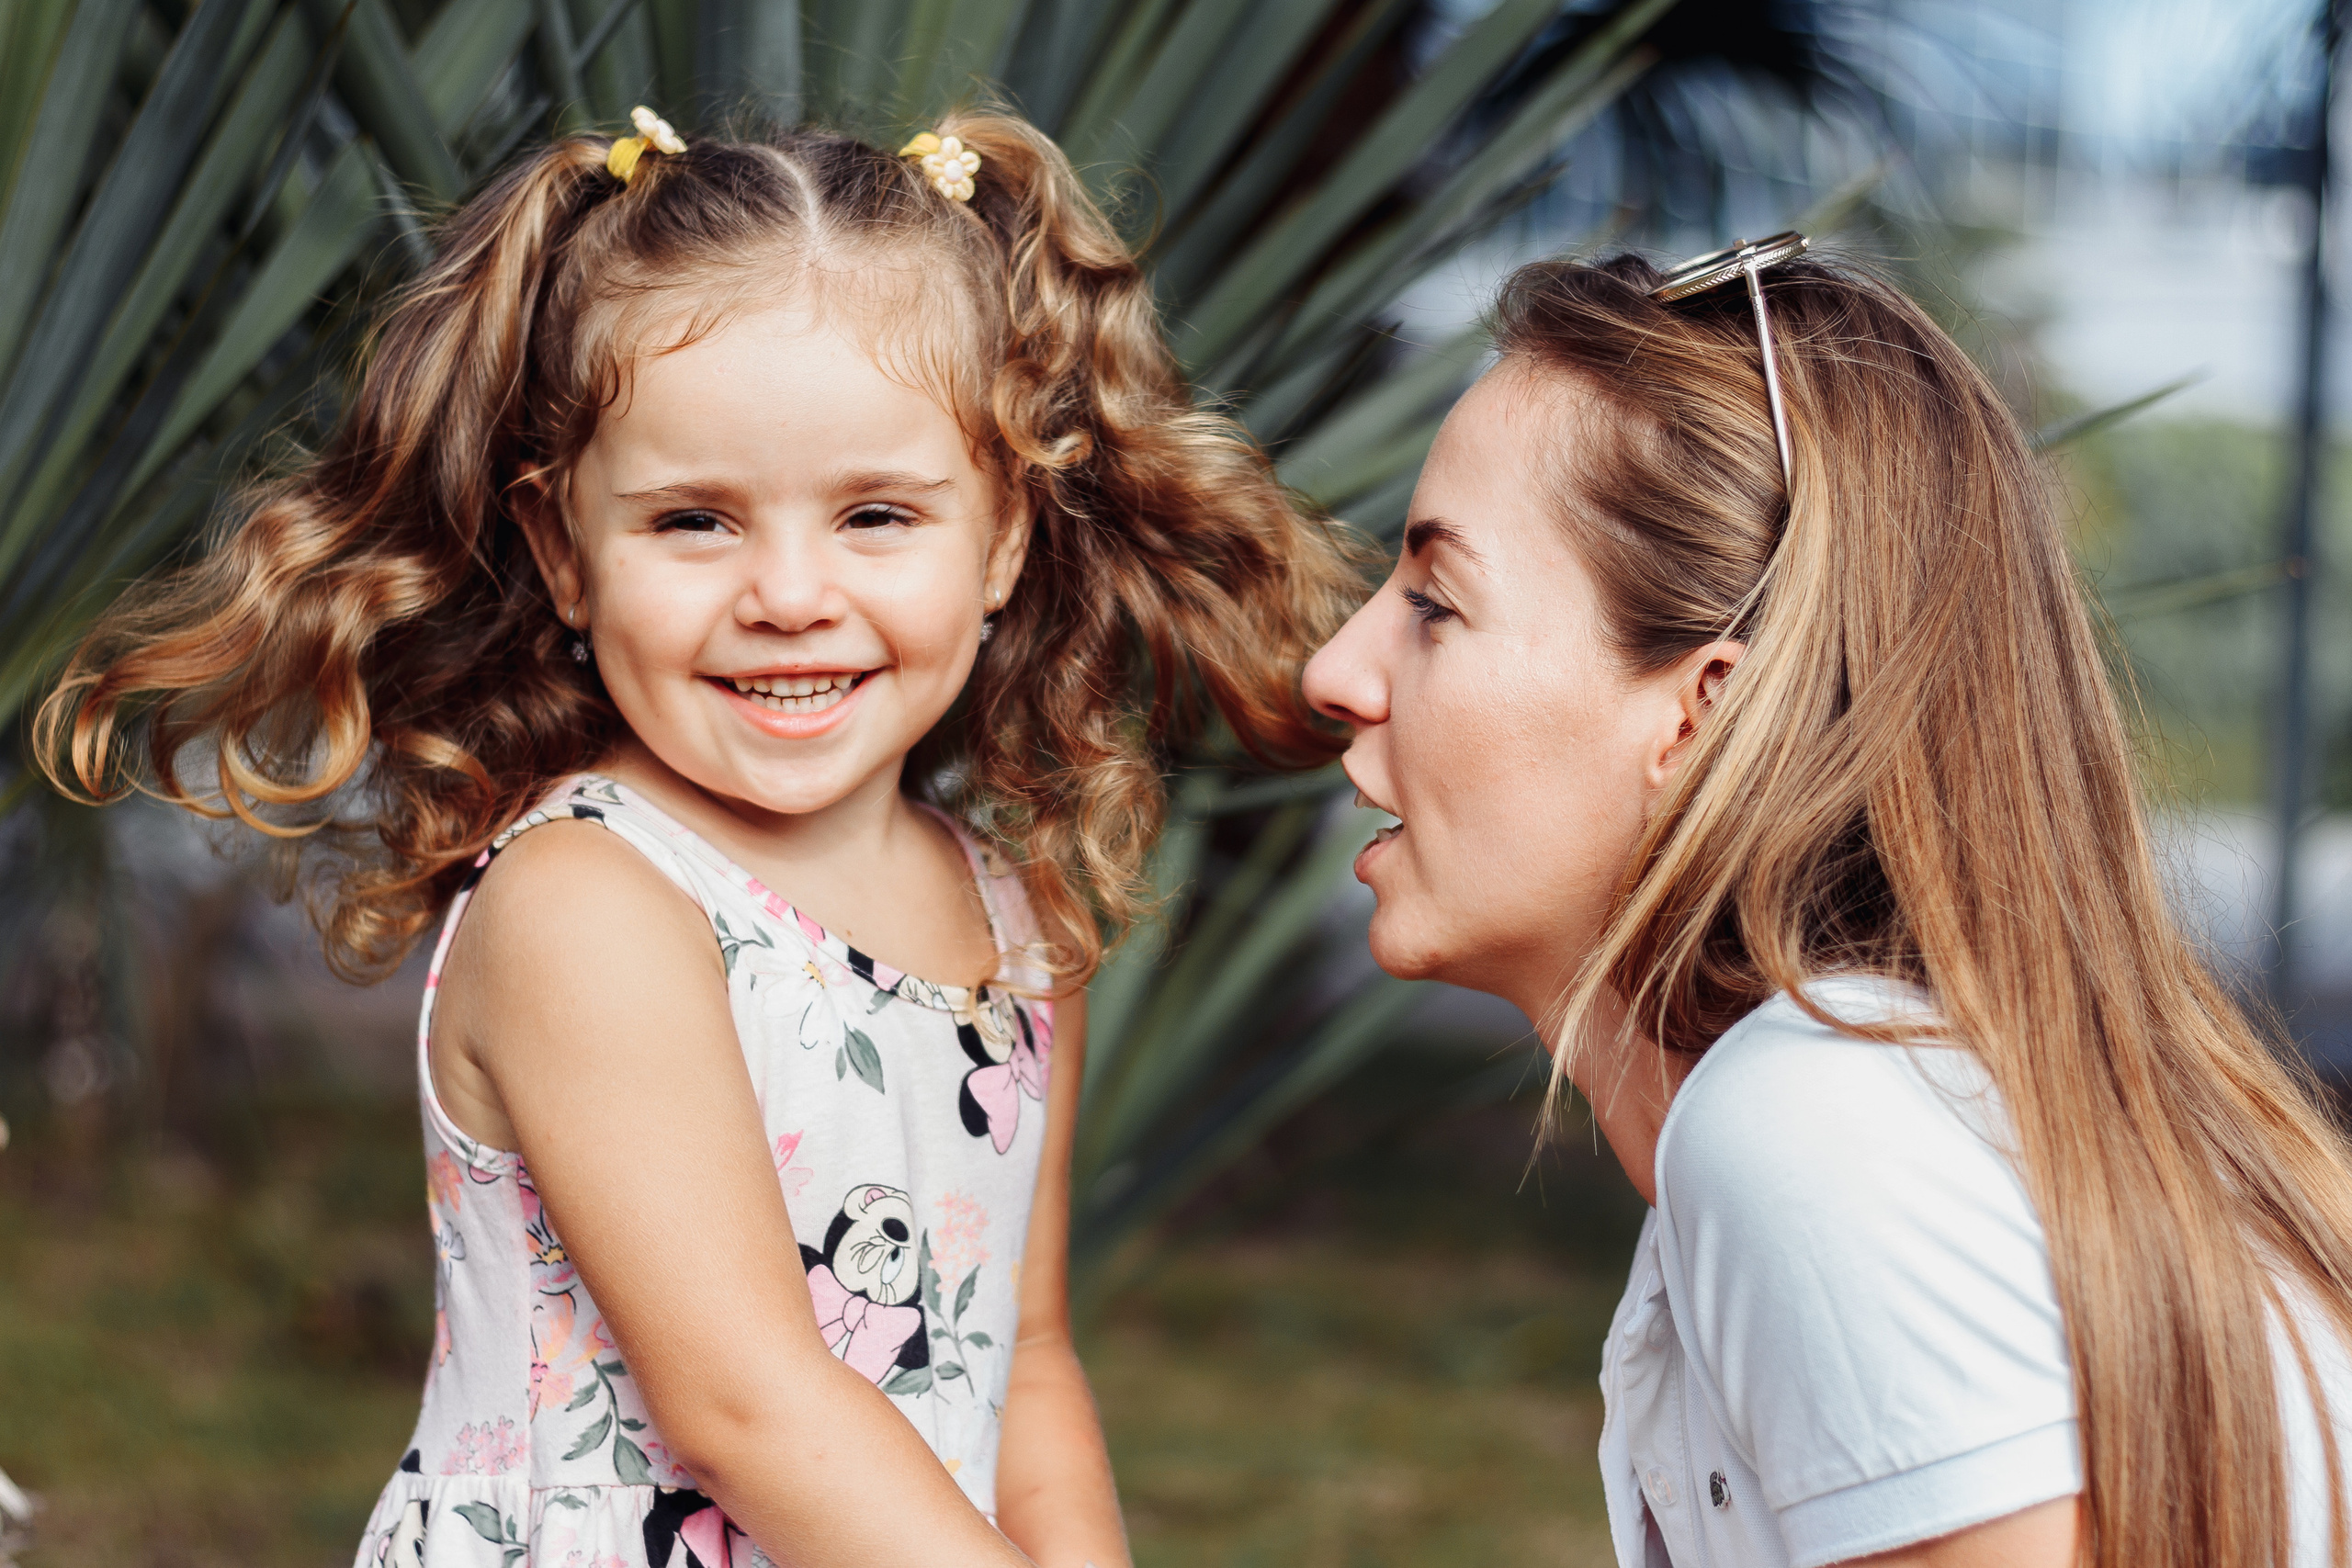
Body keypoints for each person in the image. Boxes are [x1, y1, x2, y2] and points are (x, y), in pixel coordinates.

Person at [40, 107, 1354, 1568]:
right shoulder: (591, 903)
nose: (789, 594)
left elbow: (1026, 1357)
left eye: (874, 514)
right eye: (693, 523)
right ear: (564, 552)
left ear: (1001, 540)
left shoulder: (1021, 907)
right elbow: (744, 1408)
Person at [1302, 242, 2352, 1568]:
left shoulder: (1812, 1130)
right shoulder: (1876, 1102)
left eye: (1435, 604)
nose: (1333, 671)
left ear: (1705, 712)